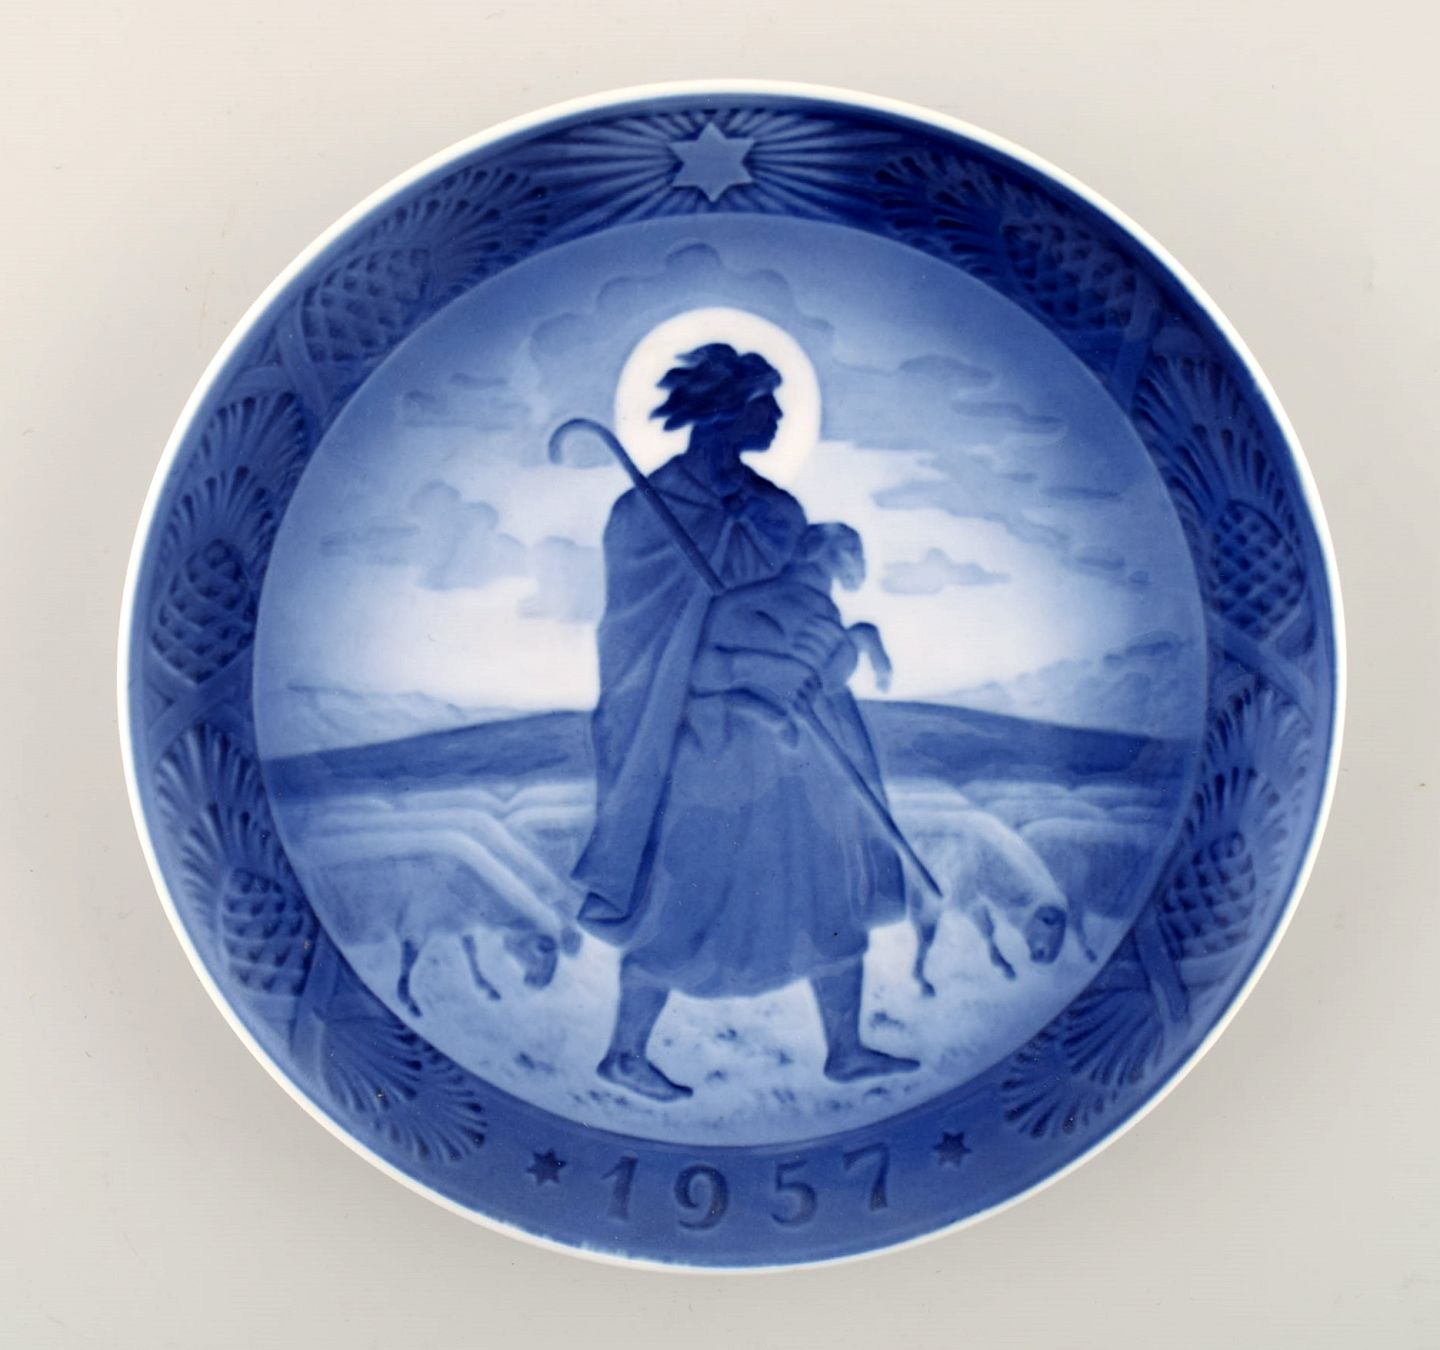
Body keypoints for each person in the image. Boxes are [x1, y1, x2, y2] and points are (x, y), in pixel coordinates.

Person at [573, 343, 916, 1101]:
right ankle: (624, 1053)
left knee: (827, 881)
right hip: (708, 733)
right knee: (687, 888)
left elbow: (803, 608)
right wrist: (714, 643)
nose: (780, 419)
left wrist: (809, 668)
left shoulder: (780, 512)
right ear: (725, 412)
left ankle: (846, 1047)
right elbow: (637, 635)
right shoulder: (643, 514)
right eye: (767, 405)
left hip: (800, 736)